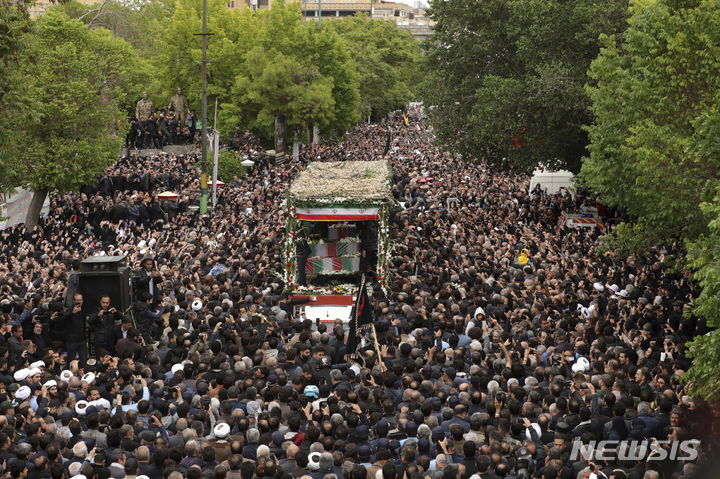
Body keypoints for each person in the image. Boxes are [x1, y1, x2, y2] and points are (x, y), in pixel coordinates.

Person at [61, 293, 89, 366]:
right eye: (77, 300)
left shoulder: (83, 309)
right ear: (73, 301)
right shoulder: (70, 309)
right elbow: (63, 319)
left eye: (80, 300)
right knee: (71, 362)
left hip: (82, 340)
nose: (79, 302)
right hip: (72, 341)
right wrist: (73, 313)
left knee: (84, 361)